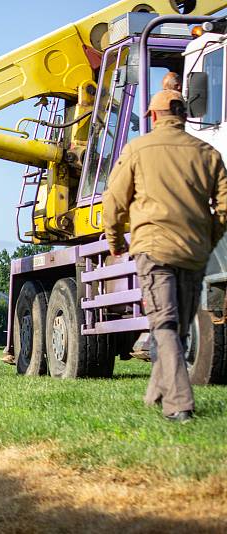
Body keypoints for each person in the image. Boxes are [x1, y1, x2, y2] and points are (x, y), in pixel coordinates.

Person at [103, 89, 227, 423]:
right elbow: (225, 207)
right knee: (178, 329)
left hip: (154, 250)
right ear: (183, 115)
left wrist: (115, 241)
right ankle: (154, 395)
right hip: (194, 252)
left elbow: (113, 202)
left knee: (165, 324)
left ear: (155, 116)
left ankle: (179, 405)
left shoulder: (138, 150)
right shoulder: (208, 153)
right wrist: (207, 239)